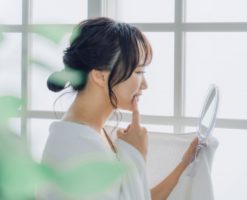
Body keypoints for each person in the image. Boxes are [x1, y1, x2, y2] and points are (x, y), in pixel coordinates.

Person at [41, 17, 199, 200]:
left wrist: (185, 164)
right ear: (100, 76)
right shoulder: (80, 148)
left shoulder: (91, 133)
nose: (145, 85)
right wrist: (136, 154)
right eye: (139, 72)